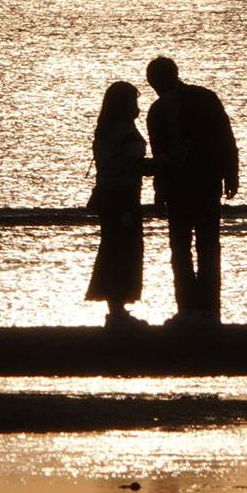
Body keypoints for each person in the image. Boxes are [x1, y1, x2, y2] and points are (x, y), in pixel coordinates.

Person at [145, 56, 239, 325]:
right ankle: (188, 308)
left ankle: (208, 308)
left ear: (171, 76)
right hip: (177, 185)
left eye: (158, 80)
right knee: (181, 247)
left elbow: (224, 136)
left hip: (205, 181)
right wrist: (159, 191)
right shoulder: (157, 112)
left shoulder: (203, 99)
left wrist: (230, 173)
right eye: (153, 81)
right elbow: (160, 154)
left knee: (206, 246)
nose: (155, 85)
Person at [85, 80, 154, 328]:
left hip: (107, 196)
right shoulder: (124, 131)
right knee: (125, 252)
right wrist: (169, 163)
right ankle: (118, 312)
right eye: (133, 101)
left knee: (113, 250)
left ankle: (116, 310)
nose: (137, 106)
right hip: (123, 198)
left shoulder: (104, 131)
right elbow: (137, 164)